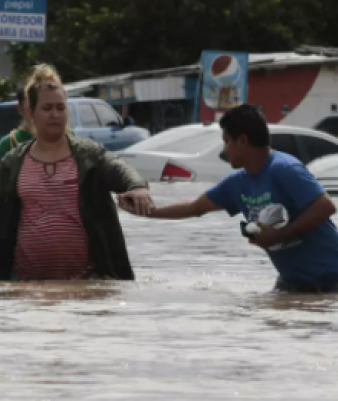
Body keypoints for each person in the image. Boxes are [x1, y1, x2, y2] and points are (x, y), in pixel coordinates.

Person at [122, 104, 338, 293]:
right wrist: (147, 211)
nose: (225, 150)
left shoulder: (285, 168)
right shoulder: (237, 183)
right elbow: (195, 207)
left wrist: (280, 235)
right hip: (293, 283)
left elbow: (325, 206)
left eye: (226, 141)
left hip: (332, 278)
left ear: (242, 140)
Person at [0, 70, 153, 281]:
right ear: (31, 113)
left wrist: (137, 186)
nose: (54, 114)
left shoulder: (88, 155)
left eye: (60, 107)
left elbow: (118, 167)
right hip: (24, 286)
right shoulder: (13, 161)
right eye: (46, 108)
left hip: (86, 284)